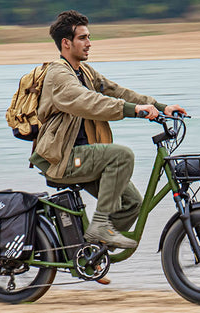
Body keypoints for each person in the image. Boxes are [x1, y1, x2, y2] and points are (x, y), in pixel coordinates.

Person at [29, 10, 186, 249]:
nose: (89, 43)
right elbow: (89, 102)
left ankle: (91, 255)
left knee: (132, 203)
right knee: (121, 155)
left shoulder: (84, 72)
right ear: (66, 43)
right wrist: (134, 110)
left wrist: (161, 107)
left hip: (82, 154)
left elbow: (116, 91)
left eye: (89, 37)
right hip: (61, 158)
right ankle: (100, 226)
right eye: (83, 38)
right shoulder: (59, 75)